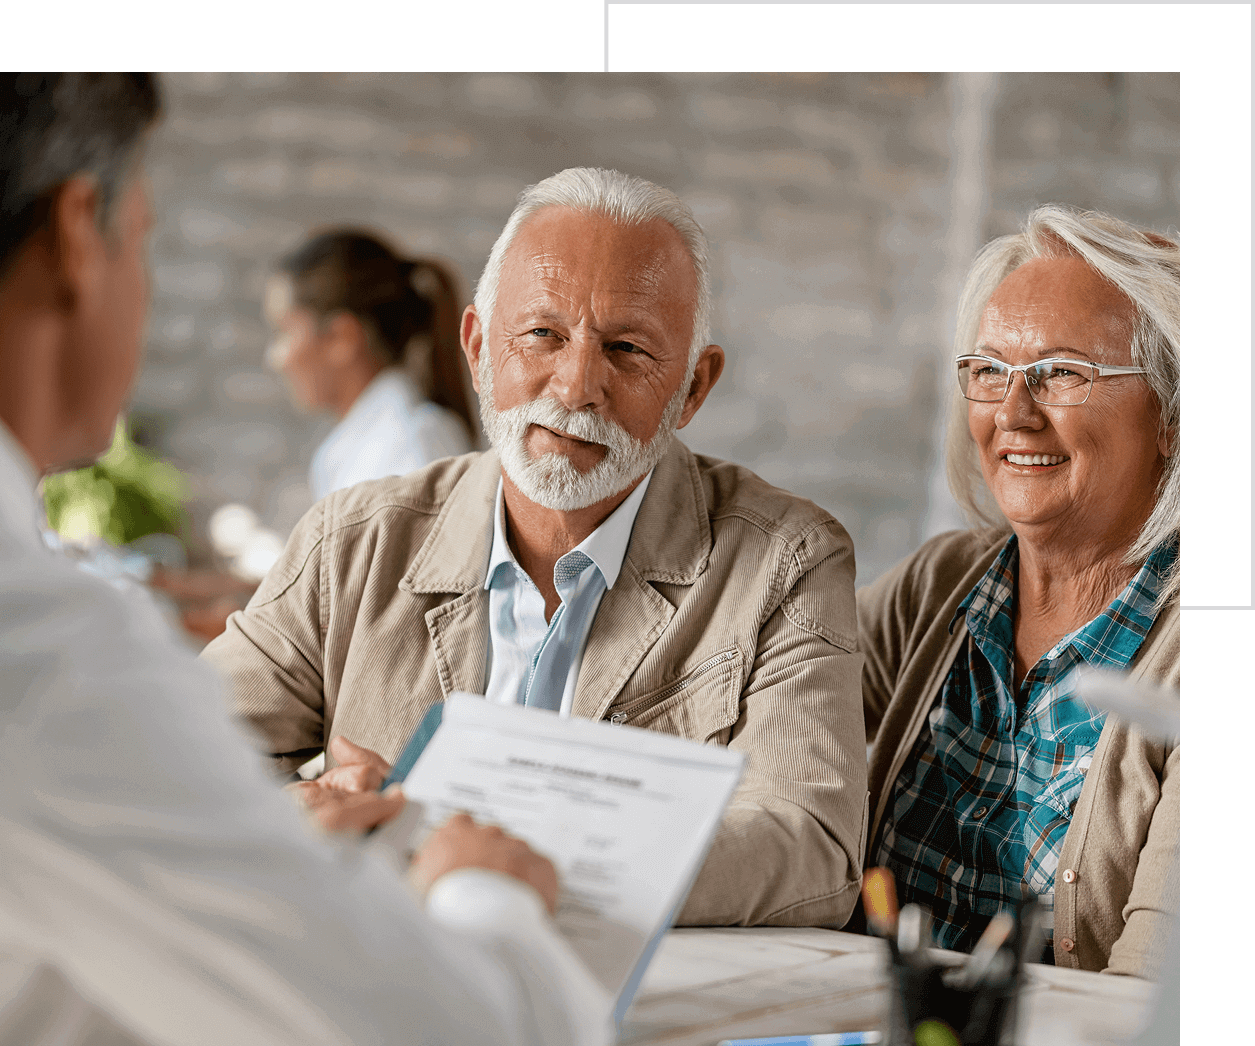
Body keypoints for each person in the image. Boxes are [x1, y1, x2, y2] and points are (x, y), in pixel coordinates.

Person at [0, 73, 610, 1046]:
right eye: (144, 237)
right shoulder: (28, 640)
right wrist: (483, 887)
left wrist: (236, 825)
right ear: (76, 235)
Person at [203, 166, 869, 929]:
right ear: (479, 348)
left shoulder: (787, 562)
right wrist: (302, 812)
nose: (577, 384)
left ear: (693, 387)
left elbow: (811, 848)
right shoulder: (350, 541)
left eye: (626, 349)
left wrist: (507, 862)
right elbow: (178, 756)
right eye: (542, 335)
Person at [856, 205, 1179, 978]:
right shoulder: (939, 585)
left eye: (1063, 372)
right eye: (990, 371)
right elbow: (765, 703)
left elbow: (1145, 1003)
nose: (1013, 414)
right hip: (863, 1037)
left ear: (1171, 413)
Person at [265, 230, 474, 501]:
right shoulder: (364, 445)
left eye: (286, 333)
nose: (277, 358)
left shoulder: (413, 445)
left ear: (342, 338)